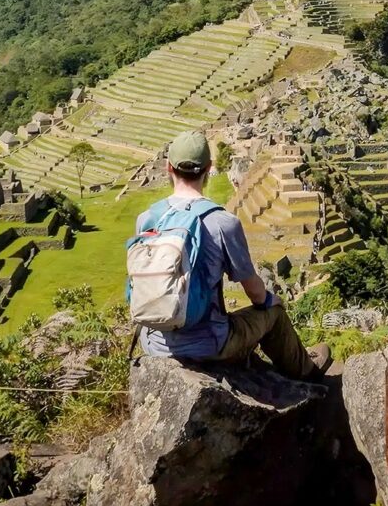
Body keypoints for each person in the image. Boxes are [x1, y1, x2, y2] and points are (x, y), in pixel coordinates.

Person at [136, 130, 331, 381]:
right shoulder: (222, 223)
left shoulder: (147, 219)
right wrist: (272, 301)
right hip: (207, 346)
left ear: (168, 168)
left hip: (153, 342)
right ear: (208, 168)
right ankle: (307, 373)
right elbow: (256, 294)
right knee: (274, 313)